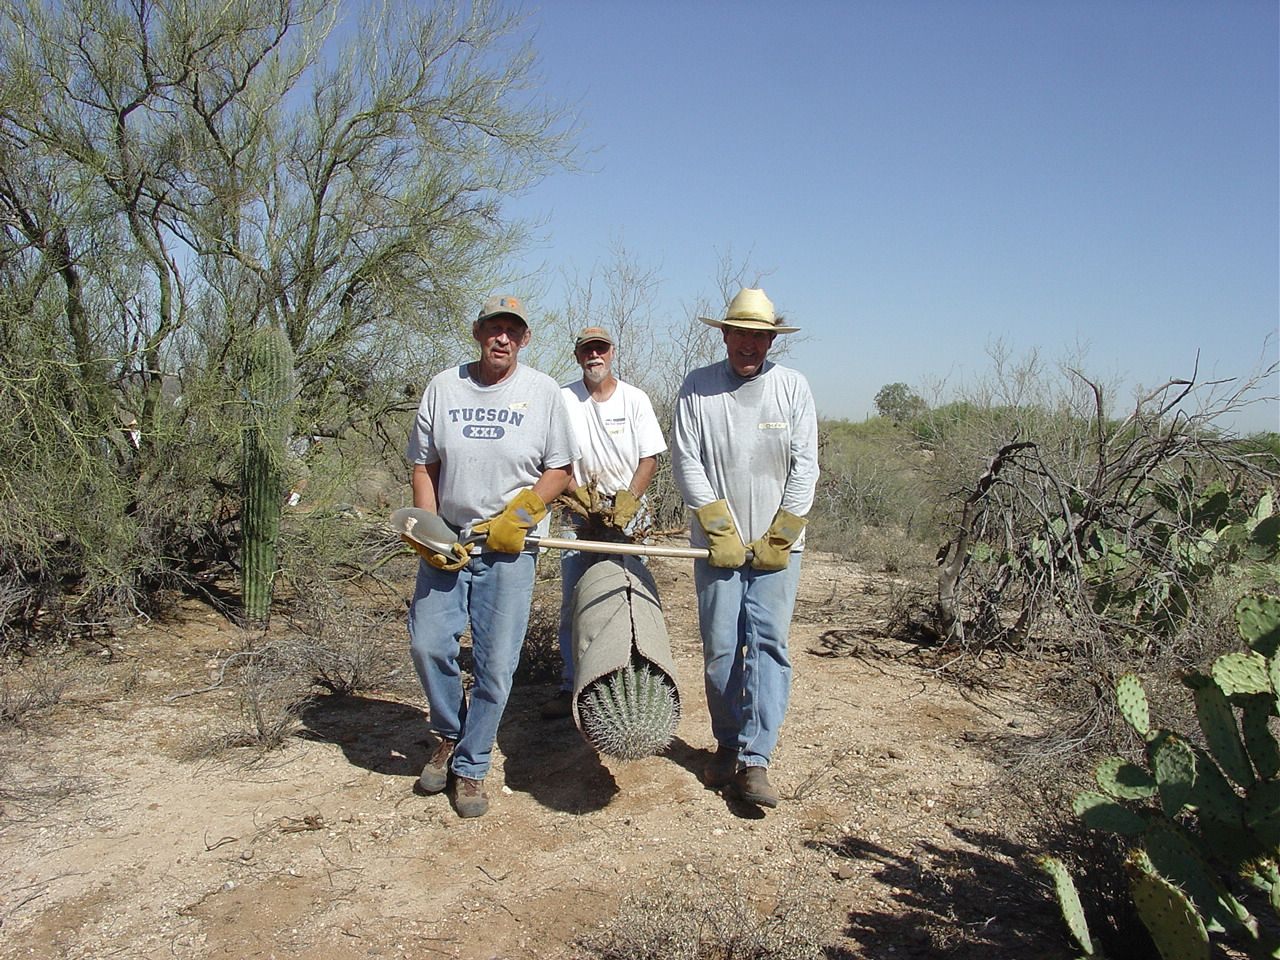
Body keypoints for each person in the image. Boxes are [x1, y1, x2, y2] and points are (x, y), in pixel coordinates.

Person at [403, 294, 577, 818]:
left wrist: (519, 517)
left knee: (496, 665)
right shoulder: (444, 386)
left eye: (511, 330)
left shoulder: (543, 392)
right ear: (478, 334)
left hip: (508, 548)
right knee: (429, 642)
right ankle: (450, 735)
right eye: (492, 328)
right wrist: (430, 531)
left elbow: (559, 470)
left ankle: (473, 766)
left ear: (523, 339)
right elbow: (423, 464)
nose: (501, 337)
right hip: (450, 540)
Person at [671, 287, 819, 809]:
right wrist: (718, 526)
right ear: (725, 334)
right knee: (720, 650)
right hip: (716, 549)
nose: (750, 346)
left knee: (769, 646)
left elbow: (806, 466)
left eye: (760, 337)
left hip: (778, 549)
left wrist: (782, 533)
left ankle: (757, 759)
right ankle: (727, 741)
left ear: (771, 340)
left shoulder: (793, 388)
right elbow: (687, 459)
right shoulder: (697, 387)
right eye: (742, 335)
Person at [541, 326, 667, 720]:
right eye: (586, 351)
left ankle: (632, 677)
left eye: (601, 349)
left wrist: (628, 500)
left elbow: (650, 458)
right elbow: (558, 459)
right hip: (576, 512)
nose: (594, 356)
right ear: (578, 356)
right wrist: (579, 498)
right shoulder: (563, 399)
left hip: (629, 513)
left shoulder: (635, 399)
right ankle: (571, 682)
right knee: (576, 598)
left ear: (612, 353)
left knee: (633, 593)